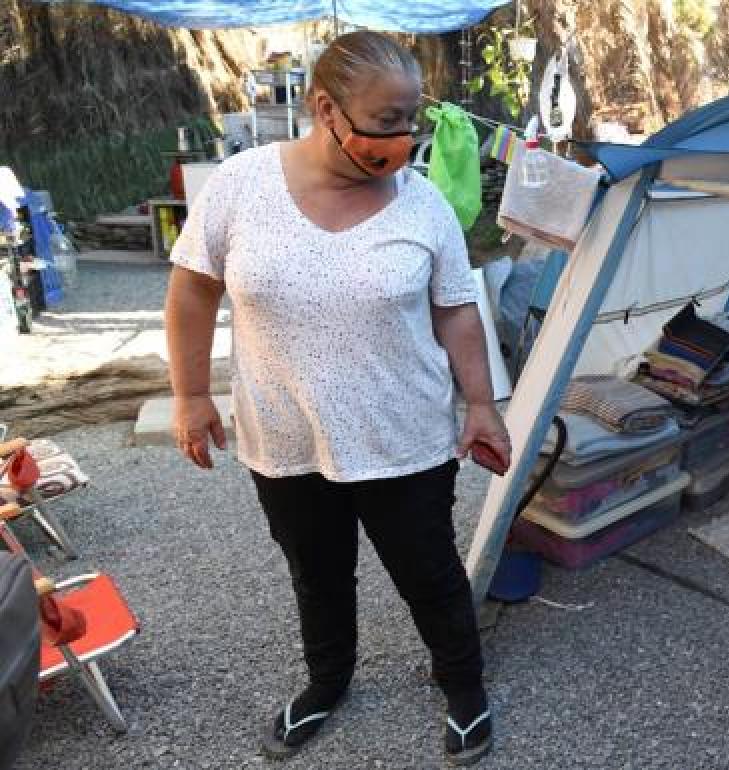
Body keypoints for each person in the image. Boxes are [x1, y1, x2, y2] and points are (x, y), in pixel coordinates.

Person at [163, 30, 509, 766]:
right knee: (315, 573)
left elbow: (454, 308)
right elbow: (192, 291)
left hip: (401, 434)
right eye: (386, 121)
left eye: (413, 116)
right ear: (326, 109)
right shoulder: (241, 184)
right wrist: (190, 395)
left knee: (428, 572)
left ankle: (464, 687)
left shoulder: (424, 206)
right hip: (284, 436)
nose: (405, 138)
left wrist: (481, 403)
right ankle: (328, 680)